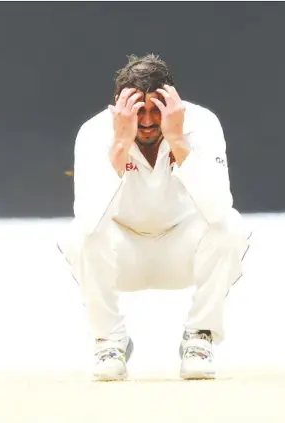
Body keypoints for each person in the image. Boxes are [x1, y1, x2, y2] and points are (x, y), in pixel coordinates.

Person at [57, 54, 251, 381]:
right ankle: (109, 340)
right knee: (79, 235)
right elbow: (88, 220)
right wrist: (120, 143)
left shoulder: (201, 124)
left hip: (182, 247)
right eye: (137, 110)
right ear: (117, 108)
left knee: (230, 228)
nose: (146, 121)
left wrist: (178, 140)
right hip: (122, 252)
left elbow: (218, 211)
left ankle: (199, 338)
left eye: (155, 110)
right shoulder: (94, 133)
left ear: (171, 104)